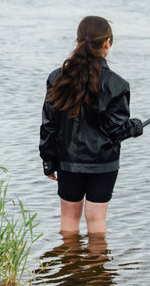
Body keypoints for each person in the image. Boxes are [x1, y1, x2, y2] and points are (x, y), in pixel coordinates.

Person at [39, 16, 142, 235]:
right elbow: (116, 129)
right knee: (96, 222)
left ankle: (72, 266)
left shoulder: (57, 78)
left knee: (68, 221)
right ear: (107, 43)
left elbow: (49, 124)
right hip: (102, 165)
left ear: (77, 41)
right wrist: (135, 127)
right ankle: (94, 269)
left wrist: (48, 160)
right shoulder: (117, 84)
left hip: (68, 162)